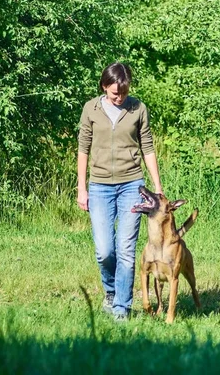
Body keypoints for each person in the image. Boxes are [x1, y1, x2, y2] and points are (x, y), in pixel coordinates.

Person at [77, 62, 163, 321]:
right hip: (100, 186)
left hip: (131, 185)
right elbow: (83, 148)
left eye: (124, 93)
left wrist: (157, 186)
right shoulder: (90, 109)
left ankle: (121, 308)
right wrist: (82, 187)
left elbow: (147, 146)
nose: (120, 97)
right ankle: (111, 291)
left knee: (126, 248)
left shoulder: (138, 108)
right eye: (115, 93)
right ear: (104, 86)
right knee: (105, 250)